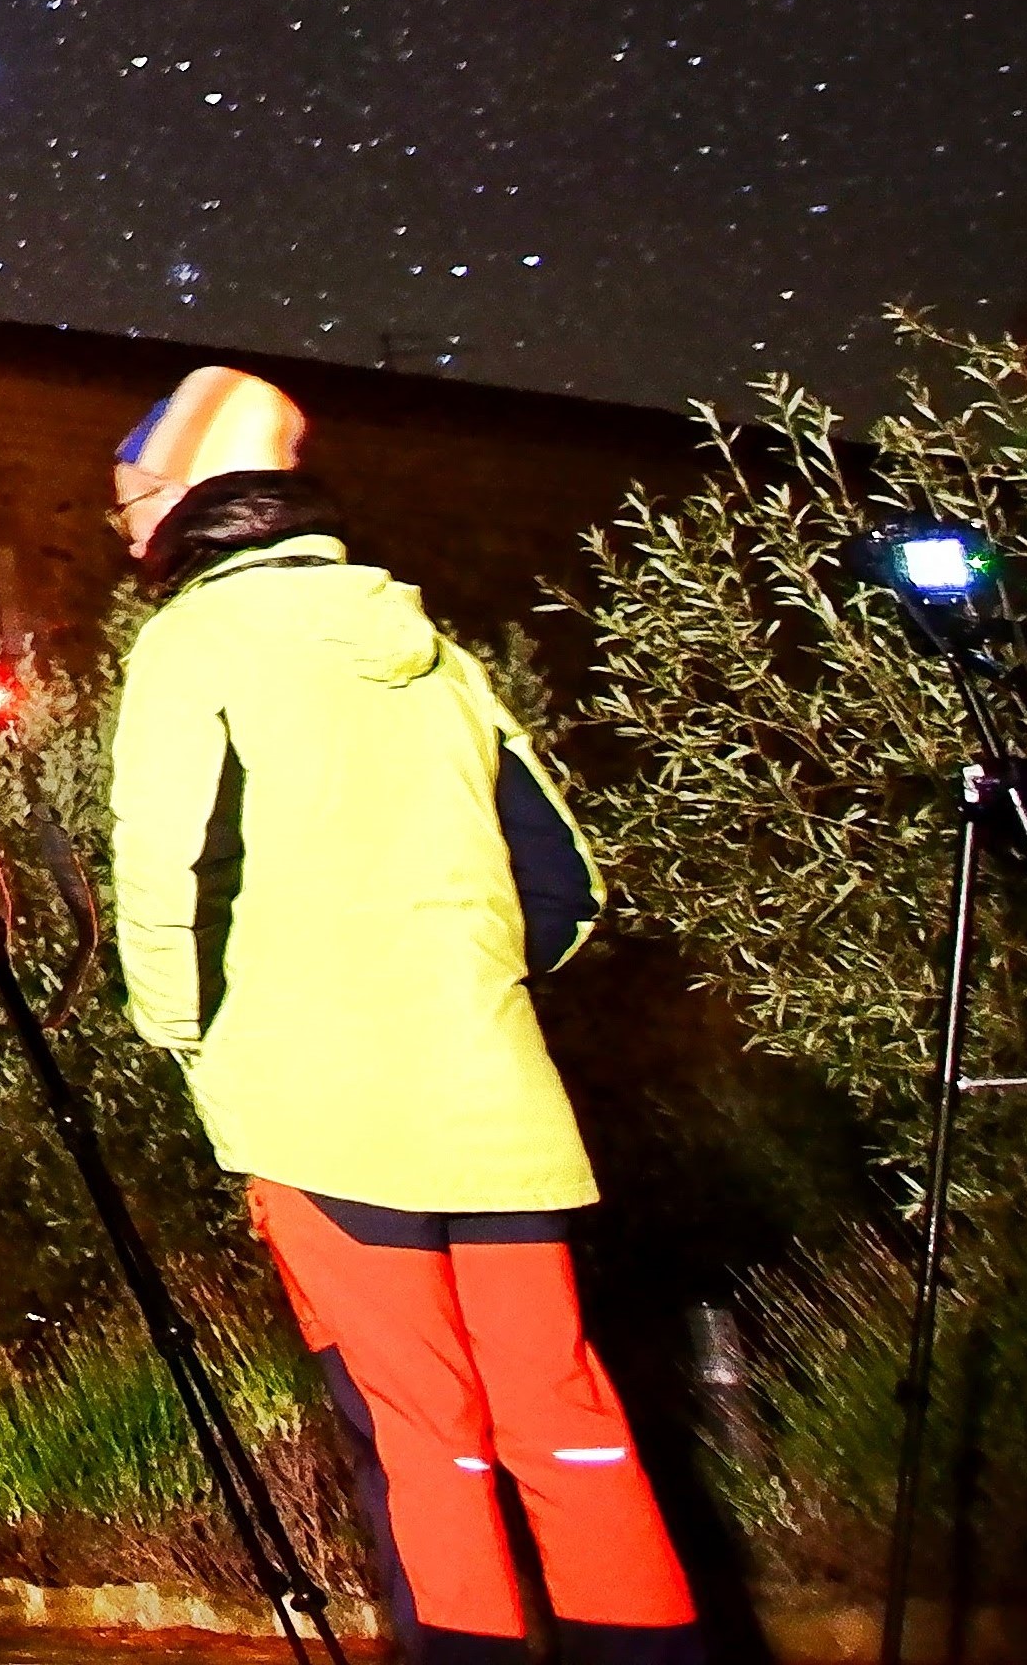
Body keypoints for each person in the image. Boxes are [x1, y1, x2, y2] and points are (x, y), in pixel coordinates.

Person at [105, 366, 699, 1665]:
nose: (123, 533)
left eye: (128, 506)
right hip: (498, 1105)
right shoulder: (439, 653)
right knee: (566, 1415)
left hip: (323, 1112)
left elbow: (161, 877)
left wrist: (186, 1034)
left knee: (421, 1429)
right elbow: (564, 881)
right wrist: (458, 985)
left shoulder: (190, 640)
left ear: (186, 503)